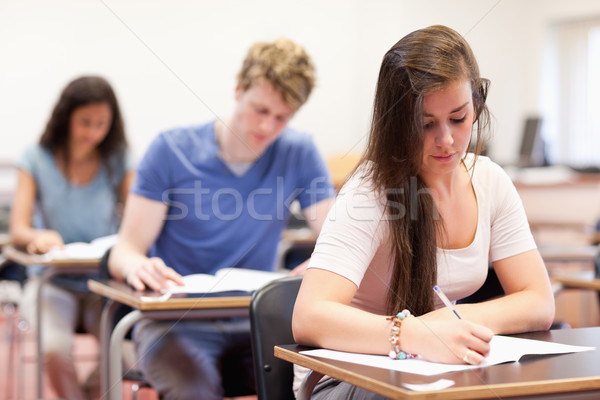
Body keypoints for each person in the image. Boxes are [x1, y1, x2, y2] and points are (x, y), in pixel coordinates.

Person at [292, 25, 555, 399]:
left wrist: (451, 321)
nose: (446, 140)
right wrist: (415, 333)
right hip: (348, 375)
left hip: (435, 369)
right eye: (426, 124)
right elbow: (309, 316)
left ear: (476, 105)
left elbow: (539, 301)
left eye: (459, 118)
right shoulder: (369, 192)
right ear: (397, 124)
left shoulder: (491, 181)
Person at [108, 38, 335, 400]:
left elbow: (336, 243)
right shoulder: (170, 150)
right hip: (177, 325)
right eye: (259, 109)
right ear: (238, 90)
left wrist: (322, 266)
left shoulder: (298, 151)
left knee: (316, 386)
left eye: (282, 118)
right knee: (193, 387)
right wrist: (137, 266)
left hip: (255, 321)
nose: (267, 127)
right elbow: (126, 248)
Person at [10, 75, 135, 400]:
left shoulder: (118, 159)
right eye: (85, 122)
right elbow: (17, 229)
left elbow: (137, 220)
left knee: (125, 355)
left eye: (101, 124)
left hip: (102, 283)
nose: (93, 132)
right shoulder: (35, 158)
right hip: (52, 281)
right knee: (54, 349)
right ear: (66, 117)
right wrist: (37, 236)